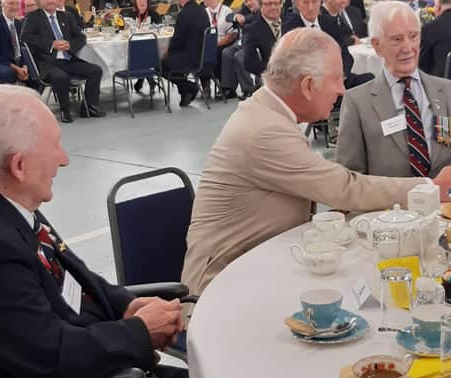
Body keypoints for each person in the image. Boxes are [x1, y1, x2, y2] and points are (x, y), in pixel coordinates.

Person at [0, 85, 190, 378]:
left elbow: (72, 271)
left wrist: (123, 303)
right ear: (19, 166)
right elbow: (53, 356)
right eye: (54, 146)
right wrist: (140, 333)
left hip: (93, 356)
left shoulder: (12, 204)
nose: (64, 158)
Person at [181, 28, 430, 296]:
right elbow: (344, 189)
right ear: (308, 86)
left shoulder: (266, 112)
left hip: (260, 265)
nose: (342, 90)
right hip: (221, 289)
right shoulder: (265, 132)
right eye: (337, 79)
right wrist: (428, 186)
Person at [337, 1, 451, 182]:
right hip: (391, 208)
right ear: (377, 46)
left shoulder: (450, 93)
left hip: (447, 206)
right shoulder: (357, 103)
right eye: (397, 39)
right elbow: (350, 182)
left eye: (413, 36)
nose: (408, 48)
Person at [21, 0, 105, 123]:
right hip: (47, 62)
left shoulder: (66, 16)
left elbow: (81, 37)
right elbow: (25, 38)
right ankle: (64, 110)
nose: (50, 1)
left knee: (96, 70)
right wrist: (51, 44)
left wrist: (70, 45)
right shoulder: (33, 17)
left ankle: (88, 107)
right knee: (60, 76)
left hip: (68, 60)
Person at [282, 0, 373, 89]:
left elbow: (346, 55)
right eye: (306, 2)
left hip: (338, 78)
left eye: (314, 2)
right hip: (314, 84)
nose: (311, 7)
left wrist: (342, 74)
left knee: (370, 79)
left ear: (320, 2)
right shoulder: (290, 28)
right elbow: (295, 64)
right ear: (298, 4)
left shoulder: (329, 22)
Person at [162, 0, 210, 107]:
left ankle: (189, 88)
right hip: (204, 55)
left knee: (160, 64)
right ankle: (185, 92)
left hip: (191, 59)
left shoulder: (183, 14)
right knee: (171, 60)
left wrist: (168, 52)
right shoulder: (202, 11)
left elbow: (177, 42)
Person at [220, 0, 259, 99]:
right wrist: (236, 17)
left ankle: (249, 89)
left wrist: (243, 19)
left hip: (257, 42)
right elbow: (228, 17)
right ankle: (229, 88)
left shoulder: (264, 9)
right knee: (226, 53)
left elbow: (253, 20)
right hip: (244, 41)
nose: (249, 3)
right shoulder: (245, 8)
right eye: (246, 1)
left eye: (251, 0)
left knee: (239, 56)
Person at [202, 0, 238, 98]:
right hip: (207, 44)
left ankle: (224, 86)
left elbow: (233, 33)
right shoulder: (203, 13)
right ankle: (205, 84)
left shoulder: (227, 11)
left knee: (219, 53)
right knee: (200, 54)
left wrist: (217, 44)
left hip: (224, 42)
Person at [0, 0, 29, 84]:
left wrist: (25, 66)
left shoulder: (20, 25)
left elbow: (24, 48)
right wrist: (16, 68)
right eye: (11, 3)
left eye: (17, 4)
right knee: (8, 72)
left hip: (16, 62)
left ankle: (31, 96)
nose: (14, 7)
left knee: (35, 72)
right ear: (3, 5)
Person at [243, 0, 282, 77]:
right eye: (269, 4)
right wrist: (274, 70)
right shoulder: (252, 30)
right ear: (260, 6)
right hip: (270, 78)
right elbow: (249, 63)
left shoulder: (291, 23)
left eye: (276, 3)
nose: (273, 7)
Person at [131, 0, 163, 94]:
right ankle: (149, 80)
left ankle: (142, 79)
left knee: (144, 52)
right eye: (139, 0)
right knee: (139, 52)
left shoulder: (154, 15)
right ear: (136, 3)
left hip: (152, 47)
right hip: (134, 47)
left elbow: (160, 30)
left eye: (144, 0)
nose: (142, 2)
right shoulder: (131, 15)